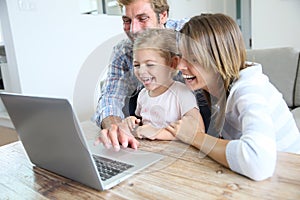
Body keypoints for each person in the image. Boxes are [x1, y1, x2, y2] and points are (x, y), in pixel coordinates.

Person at [168, 13, 300, 181]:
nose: (180, 66)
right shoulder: (215, 89)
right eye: (181, 56)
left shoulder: (250, 89)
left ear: (219, 59)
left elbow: (259, 163)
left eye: (192, 59)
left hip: (288, 177)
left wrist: (195, 137)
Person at [94, 0, 209, 150]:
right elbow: (111, 97)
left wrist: (160, 132)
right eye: (127, 20)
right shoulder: (124, 52)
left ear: (163, 16)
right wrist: (119, 128)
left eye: (142, 18)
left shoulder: (191, 33)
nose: (134, 30)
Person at [122, 28, 204, 140]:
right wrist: (133, 123)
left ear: (172, 63)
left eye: (150, 64)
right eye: (137, 65)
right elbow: (144, 125)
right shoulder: (142, 95)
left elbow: (198, 130)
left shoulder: (182, 93)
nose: (141, 71)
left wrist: (159, 133)